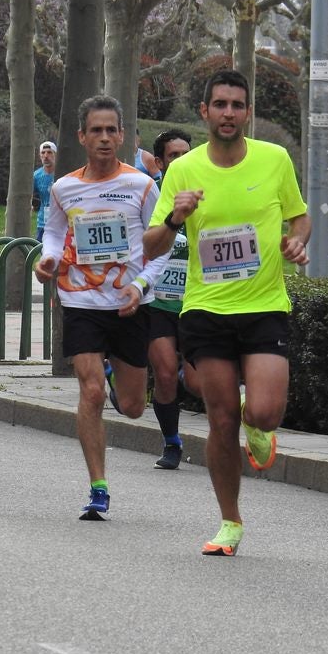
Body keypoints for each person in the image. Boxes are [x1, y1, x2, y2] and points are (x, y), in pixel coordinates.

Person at [144, 69, 310, 556]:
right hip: (207, 308)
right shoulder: (183, 170)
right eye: (220, 104)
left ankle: (255, 419)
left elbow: (299, 215)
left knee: (264, 411)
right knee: (220, 421)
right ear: (205, 112)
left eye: (238, 105)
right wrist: (176, 216)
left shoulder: (274, 159)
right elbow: (152, 246)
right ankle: (229, 522)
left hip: (263, 306)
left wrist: (298, 240)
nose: (229, 113)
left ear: (248, 112)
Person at [34, 94, 170, 520]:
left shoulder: (142, 186)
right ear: (82, 137)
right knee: (89, 394)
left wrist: (142, 284)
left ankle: (117, 376)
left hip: (130, 302)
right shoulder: (63, 187)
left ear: (123, 136)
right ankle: (98, 487)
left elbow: (164, 246)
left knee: (131, 407)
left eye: (112, 130)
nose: (105, 138)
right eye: (97, 130)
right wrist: (49, 259)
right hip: (81, 299)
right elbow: (55, 235)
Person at [144, 129, 200, 470]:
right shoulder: (151, 197)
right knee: (164, 375)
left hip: (197, 302)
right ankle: (172, 442)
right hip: (158, 304)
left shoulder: (205, 195)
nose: (182, 161)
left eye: (186, 154)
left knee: (196, 383)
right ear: (160, 162)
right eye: (174, 156)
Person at [32, 140, 56, 242]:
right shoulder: (36, 176)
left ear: (56, 155)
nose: (46, 156)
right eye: (43, 153)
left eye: (49, 152)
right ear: (39, 155)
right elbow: (29, 194)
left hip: (62, 222)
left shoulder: (63, 173)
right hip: (43, 221)